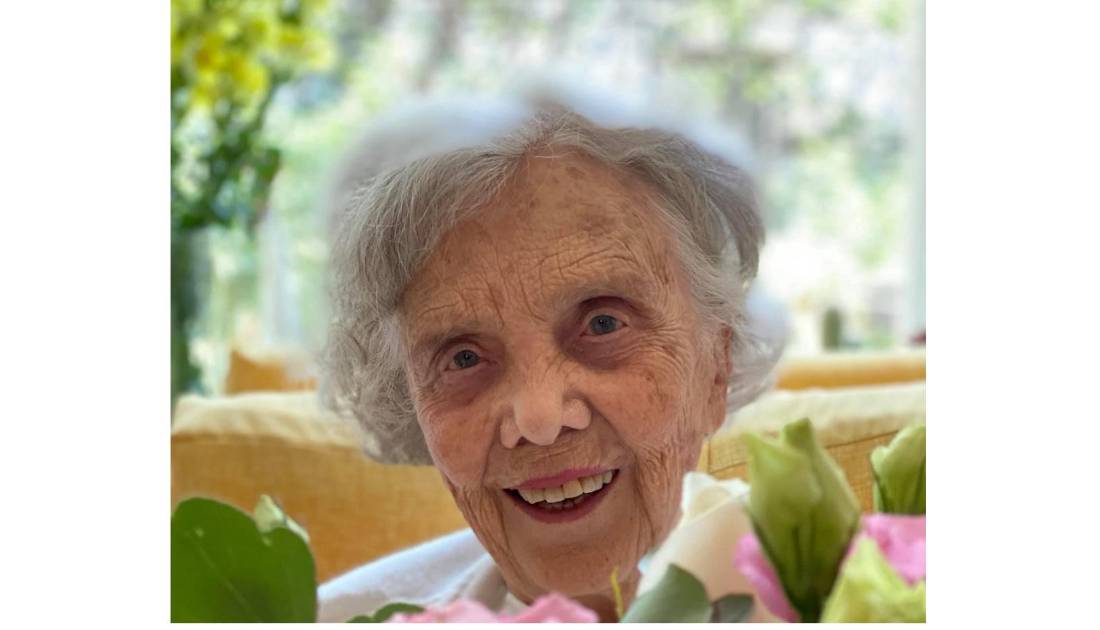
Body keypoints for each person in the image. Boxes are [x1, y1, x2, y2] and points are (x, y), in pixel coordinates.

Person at [317, 89, 784, 622]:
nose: (539, 421)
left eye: (602, 324)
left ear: (716, 367)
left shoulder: (842, 600)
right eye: (464, 358)